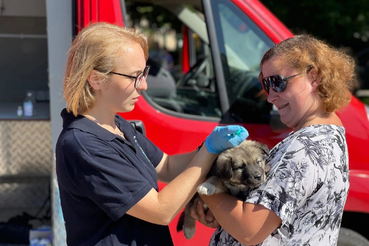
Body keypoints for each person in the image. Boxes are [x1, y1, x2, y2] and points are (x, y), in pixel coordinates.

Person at [55, 22, 248, 246]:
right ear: (96, 79)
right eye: (135, 76)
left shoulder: (117, 124)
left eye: (144, 73)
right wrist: (208, 151)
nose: (144, 85)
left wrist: (212, 149)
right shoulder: (83, 144)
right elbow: (160, 210)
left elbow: (165, 167)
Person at [191, 34, 354, 246]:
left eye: (278, 83)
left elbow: (249, 230)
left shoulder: (303, 148)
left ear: (313, 78)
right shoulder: (330, 134)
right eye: (267, 85)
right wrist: (225, 214)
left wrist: (206, 187)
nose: (270, 96)